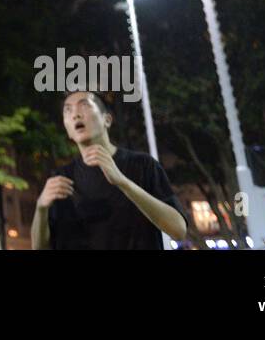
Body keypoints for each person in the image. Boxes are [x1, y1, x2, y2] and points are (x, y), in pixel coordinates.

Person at [32, 91, 187, 250]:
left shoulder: (143, 165)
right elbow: (40, 247)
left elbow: (179, 230)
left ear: (107, 120)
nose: (75, 115)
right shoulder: (61, 179)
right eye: (68, 110)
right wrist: (41, 207)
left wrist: (122, 182)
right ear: (67, 130)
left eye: (84, 106)